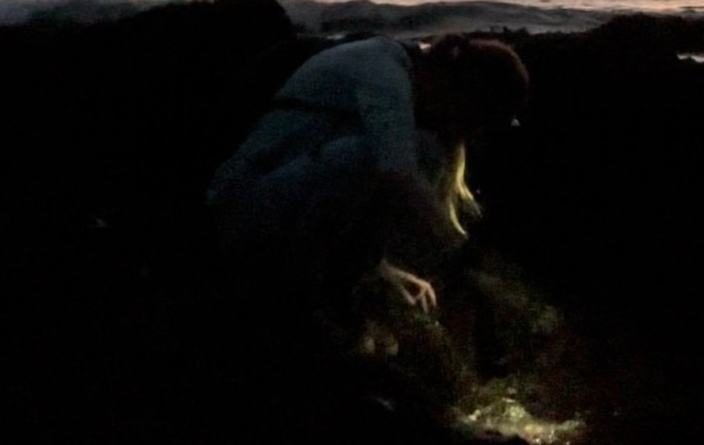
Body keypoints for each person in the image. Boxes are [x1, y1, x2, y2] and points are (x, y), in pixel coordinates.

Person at [207, 33, 529, 323]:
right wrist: (464, 261)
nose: (470, 135)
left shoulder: (402, 72)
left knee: (416, 153)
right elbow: (396, 173)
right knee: (380, 158)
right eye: (475, 121)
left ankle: (338, 282)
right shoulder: (384, 74)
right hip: (238, 208)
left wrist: (382, 270)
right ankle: (297, 297)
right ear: (461, 93)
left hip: (274, 199)